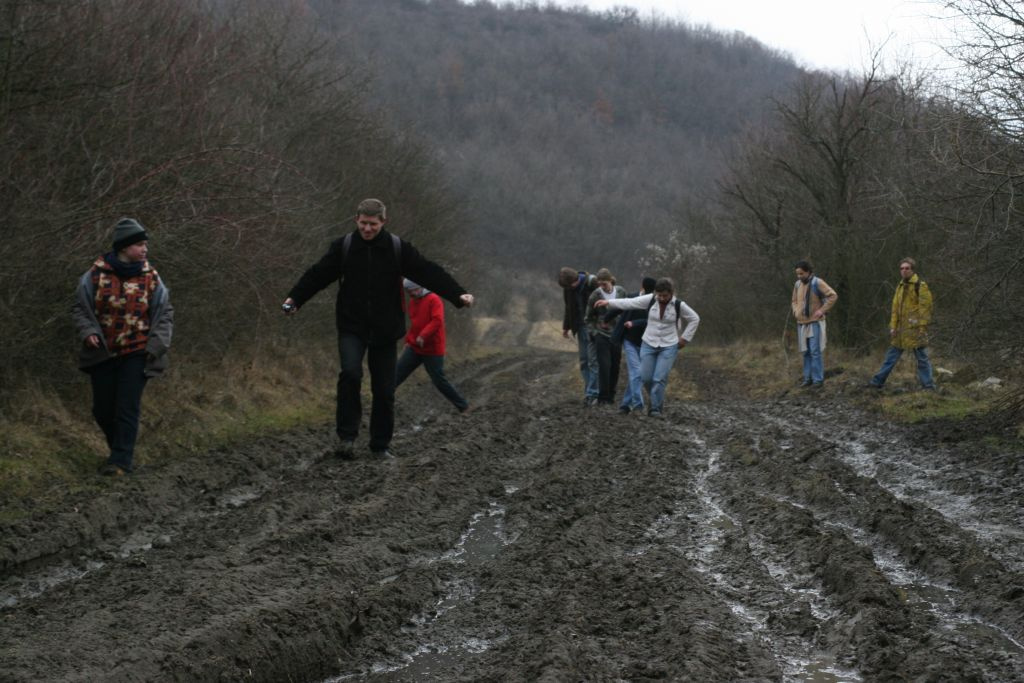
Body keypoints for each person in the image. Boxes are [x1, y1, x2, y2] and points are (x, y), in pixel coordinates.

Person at [283, 199, 474, 458]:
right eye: (363, 223)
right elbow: (317, 275)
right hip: (352, 326)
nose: (368, 229)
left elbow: (428, 271)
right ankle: (347, 439)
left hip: (386, 330)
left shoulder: (397, 249)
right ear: (356, 220)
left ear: (383, 221)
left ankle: (380, 446)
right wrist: (295, 299)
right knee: (350, 374)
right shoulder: (345, 247)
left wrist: (458, 294)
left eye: (373, 224)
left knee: (384, 390)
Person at [71, 218, 175, 476]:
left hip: (138, 352)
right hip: (103, 352)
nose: (144, 249)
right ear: (124, 247)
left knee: (127, 407)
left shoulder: (151, 278)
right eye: (139, 244)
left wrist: (157, 345)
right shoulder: (94, 275)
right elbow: (80, 309)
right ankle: (118, 448)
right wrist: (89, 332)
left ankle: (120, 462)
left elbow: (165, 314)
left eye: (145, 245)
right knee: (103, 410)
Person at [594, 278, 699, 417]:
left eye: (665, 296)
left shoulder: (679, 305)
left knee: (659, 378)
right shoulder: (650, 299)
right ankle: (656, 398)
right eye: (659, 295)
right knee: (646, 377)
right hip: (649, 343)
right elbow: (630, 303)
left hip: (669, 345)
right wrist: (609, 302)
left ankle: (655, 408)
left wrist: (684, 339)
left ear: (671, 293)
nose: (661, 298)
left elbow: (694, 318)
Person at [395, 278, 471, 412]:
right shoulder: (413, 302)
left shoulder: (434, 299)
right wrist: (408, 340)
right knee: (396, 375)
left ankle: (463, 406)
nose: (410, 294)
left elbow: (437, 321)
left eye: (412, 290)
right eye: (408, 291)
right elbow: (415, 324)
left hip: (433, 349)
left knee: (439, 381)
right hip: (415, 347)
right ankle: (382, 401)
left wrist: (423, 336)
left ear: (419, 287)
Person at [867, 257, 936, 390]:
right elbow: (895, 309)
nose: (904, 271)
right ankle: (877, 382)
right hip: (900, 330)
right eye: (902, 268)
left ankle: (928, 386)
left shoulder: (920, 286)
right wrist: (893, 326)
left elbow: (926, 309)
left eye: (907, 268)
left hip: (914, 329)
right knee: (891, 357)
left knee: (922, 358)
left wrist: (922, 328)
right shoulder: (900, 286)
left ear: (912, 270)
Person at [611, 276, 656, 415]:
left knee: (638, 374)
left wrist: (634, 323)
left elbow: (648, 321)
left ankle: (625, 405)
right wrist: (606, 317)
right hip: (629, 341)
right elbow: (621, 306)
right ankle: (638, 405)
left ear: (642, 285)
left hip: (645, 343)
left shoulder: (655, 303)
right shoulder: (633, 297)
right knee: (636, 372)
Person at [791, 260, 838, 388]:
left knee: (815, 351)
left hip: (814, 322)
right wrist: (796, 312)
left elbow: (833, 296)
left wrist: (822, 310)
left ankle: (818, 380)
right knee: (805, 352)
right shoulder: (797, 285)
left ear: (808, 272)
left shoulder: (818, 282)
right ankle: (808, 378)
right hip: (801, 323)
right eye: (797, 274)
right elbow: (794, 301)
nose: (799, 276)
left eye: (801, 274)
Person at [584, 268, 626, 406]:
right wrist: (594, 333)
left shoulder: (621, 292)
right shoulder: (595, 295)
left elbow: (627, 308)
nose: (602, 286)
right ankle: (603, 397)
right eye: (600, 284)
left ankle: (611, 395)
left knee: (615, 366)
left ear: (610, 280)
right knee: (604, 365)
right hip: (601, 334)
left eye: (604, 283)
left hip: (617, 334)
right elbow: (588, 318)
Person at [559, 266, 599, 406]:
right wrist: (566, 327)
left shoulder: (591, 283)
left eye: (571, 286)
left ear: (576, 280)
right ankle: (589, 391)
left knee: (593, 361)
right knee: (584, 361)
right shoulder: (568, 288)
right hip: (580, 327)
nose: (569, 289)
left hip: (594, 327)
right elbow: (568, 308)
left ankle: (594, 393)